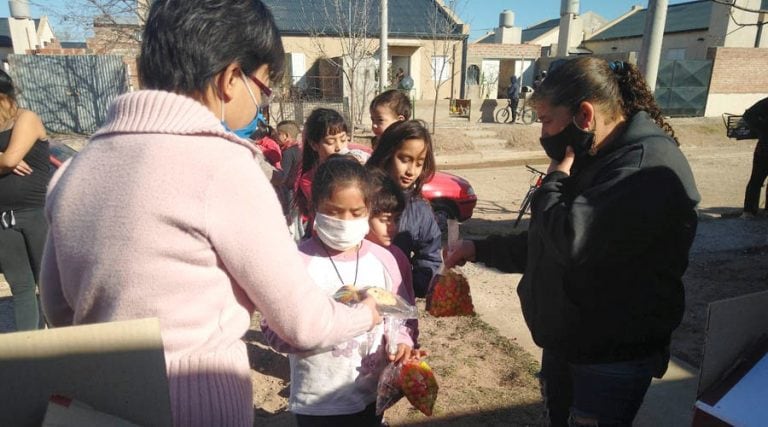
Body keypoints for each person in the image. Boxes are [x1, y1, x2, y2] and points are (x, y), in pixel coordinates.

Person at [40, 1, 382, 425]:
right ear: (230, 78)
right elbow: (303, 324)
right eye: (263, 87)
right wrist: (363, 314)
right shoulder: (224, 167)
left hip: (101, 400)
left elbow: (56, 308)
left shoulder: (75, 169)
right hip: (196, 403)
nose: (261, 102)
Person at [444, 57, 700, 426]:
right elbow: (547, 243)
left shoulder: (643, 170)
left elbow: (570, 241)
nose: (544, 133)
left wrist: (553, 182)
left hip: (610, 357)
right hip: (569, 343)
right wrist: (477, 248)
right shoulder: (595, 155)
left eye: (547, 120)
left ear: (584, 115)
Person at [262, 156, 416, 426]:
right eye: (334, 211)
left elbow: (402, 317)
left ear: (369, 209)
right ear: (314, 207)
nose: (345, 221)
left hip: (369, 396)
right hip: (316, 402)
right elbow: (272, 329)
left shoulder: (385, 261)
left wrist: (402, 342)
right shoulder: (296, 263)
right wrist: (308, 334)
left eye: (356, 213)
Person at [367, 120, 441, 298]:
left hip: (397, 304)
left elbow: (430, 257)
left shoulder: (420, 209)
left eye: (419, 163)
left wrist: (410, 284)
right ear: (387, 153)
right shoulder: (360, 194)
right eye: (405, 159)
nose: (411, 171)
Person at [0, 69, 50, 331]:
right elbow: (7, 160)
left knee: (48, 283)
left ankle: (65, 350)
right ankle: (29, 354)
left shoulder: (26, 118)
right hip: (3, 219)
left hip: (35, 213)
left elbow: (9, 160)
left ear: (6, 96)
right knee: (21, 286)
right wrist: (5, 159)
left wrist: (6, 159)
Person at [365, 168, 419, 345]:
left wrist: (407, 341)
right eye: (384, 220)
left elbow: (407, 306)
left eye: (396, 219)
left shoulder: (398, 258)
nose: (392, 227)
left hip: (389, 349)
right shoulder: (351, 256)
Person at [294, 108, 350, 222]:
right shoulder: (309, 179)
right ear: (314, 145)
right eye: (330, 142)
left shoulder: (357, 166)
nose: (339, 147)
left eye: (343, 139)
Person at [741, 96, 768, 218]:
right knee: (756, 179)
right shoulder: (766, 103)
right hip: (765, 148)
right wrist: (763, 129)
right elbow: (748, 115)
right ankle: (749, 210)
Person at [275, 119, 301, 214]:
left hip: (289, 193)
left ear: (286, 136)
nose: (276, 137)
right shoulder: (298, 150)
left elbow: (283, 177)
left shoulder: (287, 153)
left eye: (278, 134)